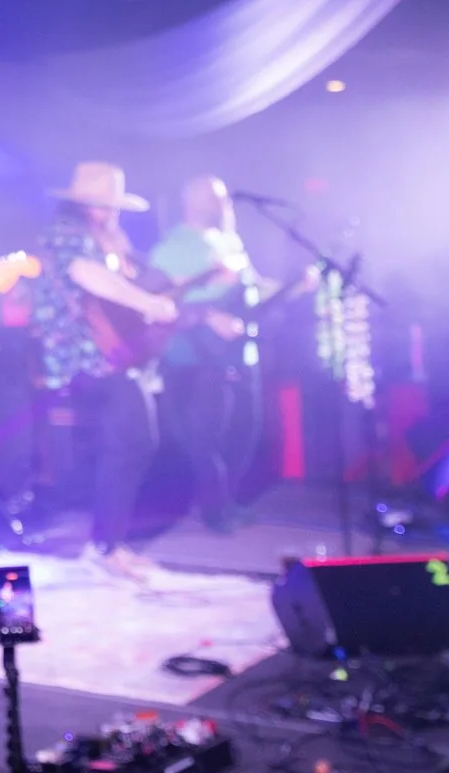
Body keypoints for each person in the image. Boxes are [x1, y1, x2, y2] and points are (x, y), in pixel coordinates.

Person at [29, 162, 178, 582]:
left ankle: (109, 541)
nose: (110, 212)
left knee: (133, 442)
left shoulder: (109, 239)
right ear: (80, 204)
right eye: (102, 204)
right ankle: (104, 546)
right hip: (79, 356)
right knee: (131, 438)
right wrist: (147, 305)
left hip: (109, 356)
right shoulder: (64, 233)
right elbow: (88, 275)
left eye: (113, 205)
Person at [149, 176, 280, 534]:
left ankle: (225, 501)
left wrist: (294, 286)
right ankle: (214, 508)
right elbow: (159, 301)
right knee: (204, 438)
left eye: (223, 198)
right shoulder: (172, 248)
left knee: (244, 431)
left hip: (240, 354)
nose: (222, 204)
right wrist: (207, 315)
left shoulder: (230, 241)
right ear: (190, 202)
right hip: (194, 357)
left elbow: (253, 289)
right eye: (213, 197)